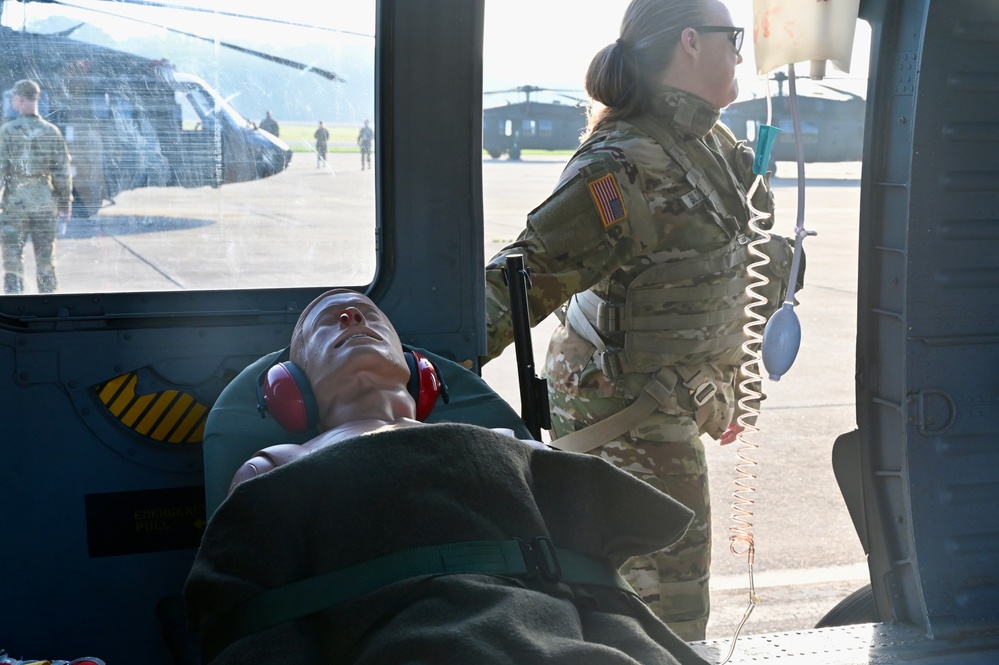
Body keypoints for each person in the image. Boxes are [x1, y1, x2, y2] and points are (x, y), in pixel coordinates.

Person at [480, 0, 798, 641]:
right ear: (689, 42)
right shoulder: (621, 166)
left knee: (673, 623)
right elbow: (509, 289)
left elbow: (731, 269)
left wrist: (728, 382)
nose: (739, 50)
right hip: (620, 433)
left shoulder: (709, 144)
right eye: (729, 36)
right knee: (656, 630)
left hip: (671, 416)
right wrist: (388, 375)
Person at [185, 288, 709, 664]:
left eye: (367, 315)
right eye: (328, 323)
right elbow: (254, 614)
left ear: (418, 372)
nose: (350, 317)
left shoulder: (503, 445)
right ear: (288, 388)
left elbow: (590, 581)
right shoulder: (279, 465)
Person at [0, 79, 72, 294]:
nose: (13, 101)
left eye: (14, 97)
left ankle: (13, 309)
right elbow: (61, 172)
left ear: (20, 100)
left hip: (15, 205)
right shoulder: (51, 132)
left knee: (12, 261)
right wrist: (64, 203)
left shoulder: (7, 132)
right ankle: (49, 309)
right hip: (43, 203)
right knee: (45, 260)